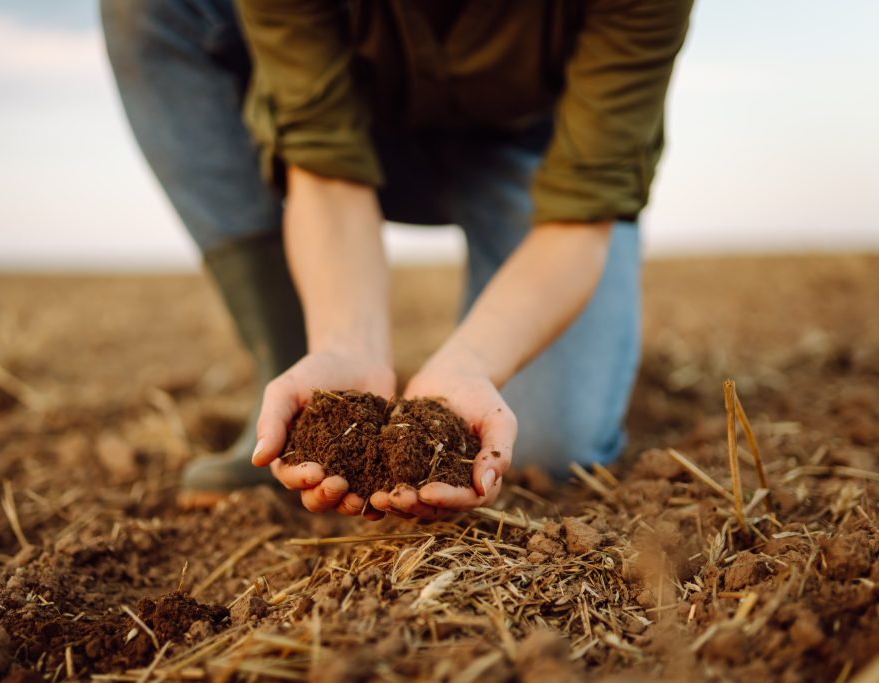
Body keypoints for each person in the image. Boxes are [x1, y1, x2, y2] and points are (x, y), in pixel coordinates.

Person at [100, 0, 693, 519]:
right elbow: (324, 163)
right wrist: (344, 348)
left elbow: (578, 218)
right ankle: (290, 367)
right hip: (363, 128)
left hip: (539, 150)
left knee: (545, 449)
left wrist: (472, 363)